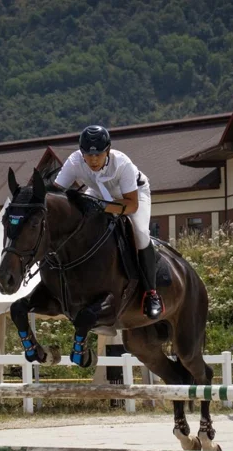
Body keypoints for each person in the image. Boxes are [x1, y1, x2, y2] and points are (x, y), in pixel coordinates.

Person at [53, 125, 164, 319]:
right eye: (88, 155)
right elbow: (54, 192)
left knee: (140, 233)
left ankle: (151, 293)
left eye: (99, 155)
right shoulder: (74, 162)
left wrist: (102, 208)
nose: (93, 160)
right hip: (97, 193)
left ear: (108, 150)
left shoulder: (122, 164)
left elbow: (131, 206)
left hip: (132, 195)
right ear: (82, 153)